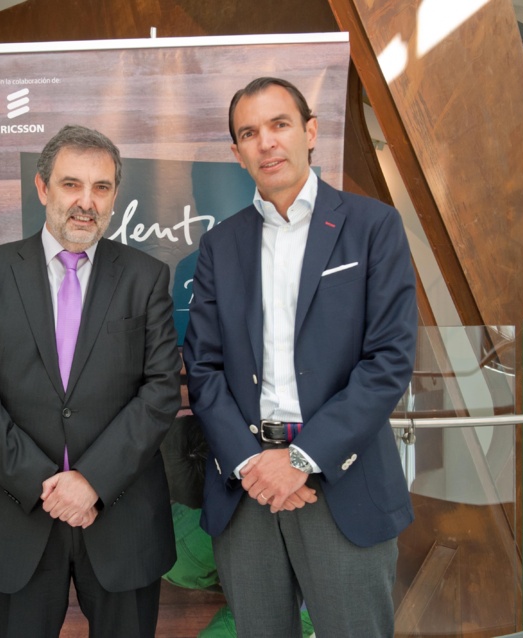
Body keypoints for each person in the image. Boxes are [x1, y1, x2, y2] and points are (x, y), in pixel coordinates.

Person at [183, 77, 418, 637]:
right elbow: (204, 367)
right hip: (246, 487)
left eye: (279, 125)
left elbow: (388, 360)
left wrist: (298, 460)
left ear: (310, 132)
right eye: (249, 133)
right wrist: (252, 463)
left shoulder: (373, 227)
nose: (266, 142)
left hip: (341, 481)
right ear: (237, 154)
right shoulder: (220, 245)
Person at [0, 124, 181, 637]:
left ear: (116, 196)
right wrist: (46, 485)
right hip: (15, 515)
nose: (86, 202)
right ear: (42, 188)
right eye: (72, 184)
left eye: (101, 188)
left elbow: (160, 390)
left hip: (120, 516)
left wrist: (92, 480)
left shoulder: (147, 277)